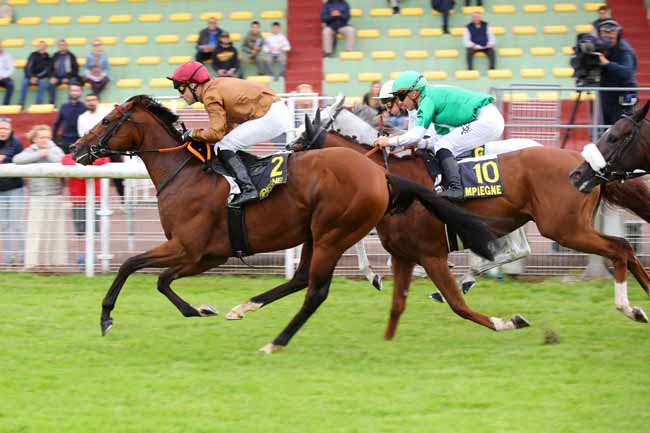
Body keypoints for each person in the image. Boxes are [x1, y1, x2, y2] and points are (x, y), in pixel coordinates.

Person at [166, 61, 293, 206]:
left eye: (181, 88)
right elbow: (227, 129)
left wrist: (191, 134)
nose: (180, 94)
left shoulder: (210, 96)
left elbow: (215, 135)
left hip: (271, 115)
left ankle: (248, 189)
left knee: (223, 146)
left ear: (193, 84)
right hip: (275, 111)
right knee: (226, 144)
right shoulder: (215, 86)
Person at [372, 70, 504, 201]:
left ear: (413, 93)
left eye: (401, 97)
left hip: (487, 120)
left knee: (444, 146)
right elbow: (437, 138)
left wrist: (389, 142)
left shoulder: (427, 101)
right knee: (443, 145)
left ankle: (456, 188)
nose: (400, 103)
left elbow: (417, 135)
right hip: (488, 119)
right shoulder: (430, 99)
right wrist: (416, 143)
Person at [13, 125, 66, 270]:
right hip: (37, 196)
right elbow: (17, 159)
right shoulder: (30, 151)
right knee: (35, 231)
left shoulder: (55, 149)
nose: (45, 140)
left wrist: (46, 153)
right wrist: (38, 154)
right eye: (41, 137)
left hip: (54, 196)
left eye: (48, 137)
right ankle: (32, 263)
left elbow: (62, 160)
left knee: (54, 230)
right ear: (34, 139)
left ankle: (54, 263)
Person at [77, 92, 125, 204]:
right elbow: (82, 135)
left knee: (119, 175)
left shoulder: (105, 114)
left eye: (93, 99)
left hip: (111, 148)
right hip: (93, 151)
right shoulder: (82, 117)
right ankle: (98, 203)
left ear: (98, 101)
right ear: (85, 102)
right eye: (88, 100)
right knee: (95, 177)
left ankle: (124, 201)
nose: (91, 102)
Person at [61, 152, 108, 265]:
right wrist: (84, 166)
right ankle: (82, 255)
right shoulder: (71, 156)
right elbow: (65, 160)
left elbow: (104, 160)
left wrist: (81, 166)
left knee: (94, 229)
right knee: (80, 230)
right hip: (78, 200)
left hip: (95, 199)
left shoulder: (98, 155)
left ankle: (91, 254)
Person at [594, 19, 638, 128]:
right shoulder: (601, 48)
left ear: (618, 35)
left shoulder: (624, 50)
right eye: (605, 37)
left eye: (611, 38)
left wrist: (607, 63)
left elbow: (628, 73)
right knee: (606, 130)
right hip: (607, 94)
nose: (608, 40)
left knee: (622, 128)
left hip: (625, 93)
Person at [0, 117, 25, 265]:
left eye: (5, 129)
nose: (2, 132)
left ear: (11, 131)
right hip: (0, 190)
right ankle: (9, 260)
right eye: (0, 129)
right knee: (4, 225)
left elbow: (6, 158)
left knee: (17, 224)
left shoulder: (15, 143)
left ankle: (23, 257)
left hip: (15, 189)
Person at [52, 83, 86, 154]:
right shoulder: (64, 106)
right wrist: (54, 136)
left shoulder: (84, 107)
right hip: (65, 140)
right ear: (69, 92)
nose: (74, 93)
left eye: (77, 90)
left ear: (81, 92)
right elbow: (57, 123)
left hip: (80, 140)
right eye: (73, 90)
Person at [48, 39, 81, 106]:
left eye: (63, 45)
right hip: (57, 77)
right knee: (51, 84)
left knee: (73, 83)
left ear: (66, 46)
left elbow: (76, 69)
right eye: (60, 45)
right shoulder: (55, 56)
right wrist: (52, 77)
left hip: (69, 77)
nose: (62, 46)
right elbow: (50, 68)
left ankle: (71, 103)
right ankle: (52, 104)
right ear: (58, 46)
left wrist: (67, 77)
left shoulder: (71, 56)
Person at [18, 40, 50, 107]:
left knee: (42, 83)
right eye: (40, 45)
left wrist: (37, 77)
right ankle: (21, 103)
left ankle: (38, 103)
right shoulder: (33, 54)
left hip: (40, 78)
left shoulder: (48, 58)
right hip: (30, 76)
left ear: (46, 47)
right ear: (38, 46)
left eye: (43, 45)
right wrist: (31, 77)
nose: (42, 46)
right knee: (24, 82)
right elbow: (28, 66)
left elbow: (46, 70)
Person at [0, 39, 14, 105]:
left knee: (11, 85)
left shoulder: (7, 56)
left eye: (0, 46)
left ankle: (5, 104)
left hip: (4, 78)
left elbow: (11, 69)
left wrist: (3, 76)